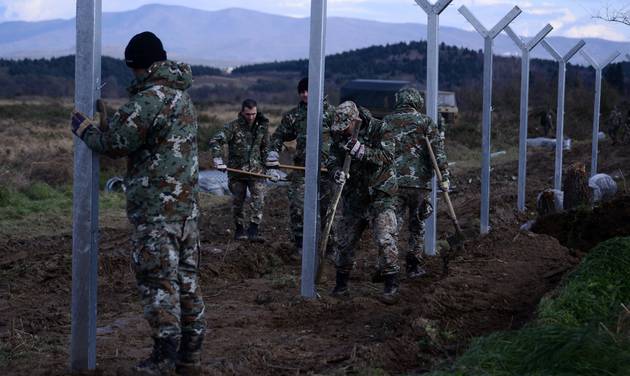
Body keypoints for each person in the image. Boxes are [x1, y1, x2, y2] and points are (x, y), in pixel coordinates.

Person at [70, 31, 205, 375]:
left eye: (133, 69)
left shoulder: (149, 99)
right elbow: (142, 136)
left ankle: (163, 359)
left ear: (139, 66)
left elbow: (117, 143)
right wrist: (112, 122)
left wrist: (86, 131)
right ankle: (190, 356)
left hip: (156, 214)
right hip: (186, 211)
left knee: (158, 282)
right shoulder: (181, 97)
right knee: (186, 281)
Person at [327, 101, 400, 304]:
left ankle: (391, 285)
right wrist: (336, 173)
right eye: (339, 129)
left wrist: (362, 151)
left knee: (385, 238)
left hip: (380, 194)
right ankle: (341, 286)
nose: (342, 132)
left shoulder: (380, 128)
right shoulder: (338, 134)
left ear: (355, 120)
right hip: (354, 197)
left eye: (345, 128)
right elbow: (332, 158)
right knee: (344, 242)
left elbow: (388, 155)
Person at [384, 88, 450, 279]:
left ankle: (389, 267)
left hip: (393, 184)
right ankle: (413, 266)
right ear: (416, 101)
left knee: (391, 228)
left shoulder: (387, 121)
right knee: (417, 226)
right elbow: (438, 153)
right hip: (419, 186)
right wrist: (444, 177)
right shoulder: (426, 122)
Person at [267, 78, 335, 254]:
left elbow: (345, 138)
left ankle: (329, 246)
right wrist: (273, 154)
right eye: (302, 91)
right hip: (303, 168)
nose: (305, 94)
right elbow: (278, 136)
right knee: (297, 205)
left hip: (327, 170)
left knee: (328, 208)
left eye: (308, 91)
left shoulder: (332, 113)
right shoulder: (294, 115)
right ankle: (300, 244)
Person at [209, 99, 271, 242]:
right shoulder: (233, 127)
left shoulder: (262, 127)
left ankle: (254, 229)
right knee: (238, 201)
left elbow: (267, 148)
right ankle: (239, 229)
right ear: (242, 112)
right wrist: (218, 159)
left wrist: (270, 166)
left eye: (253, 114)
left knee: (259, 198)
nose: (251, 117)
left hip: (256, 171)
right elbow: (215, 141)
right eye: (248, 114)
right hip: (237, 172)